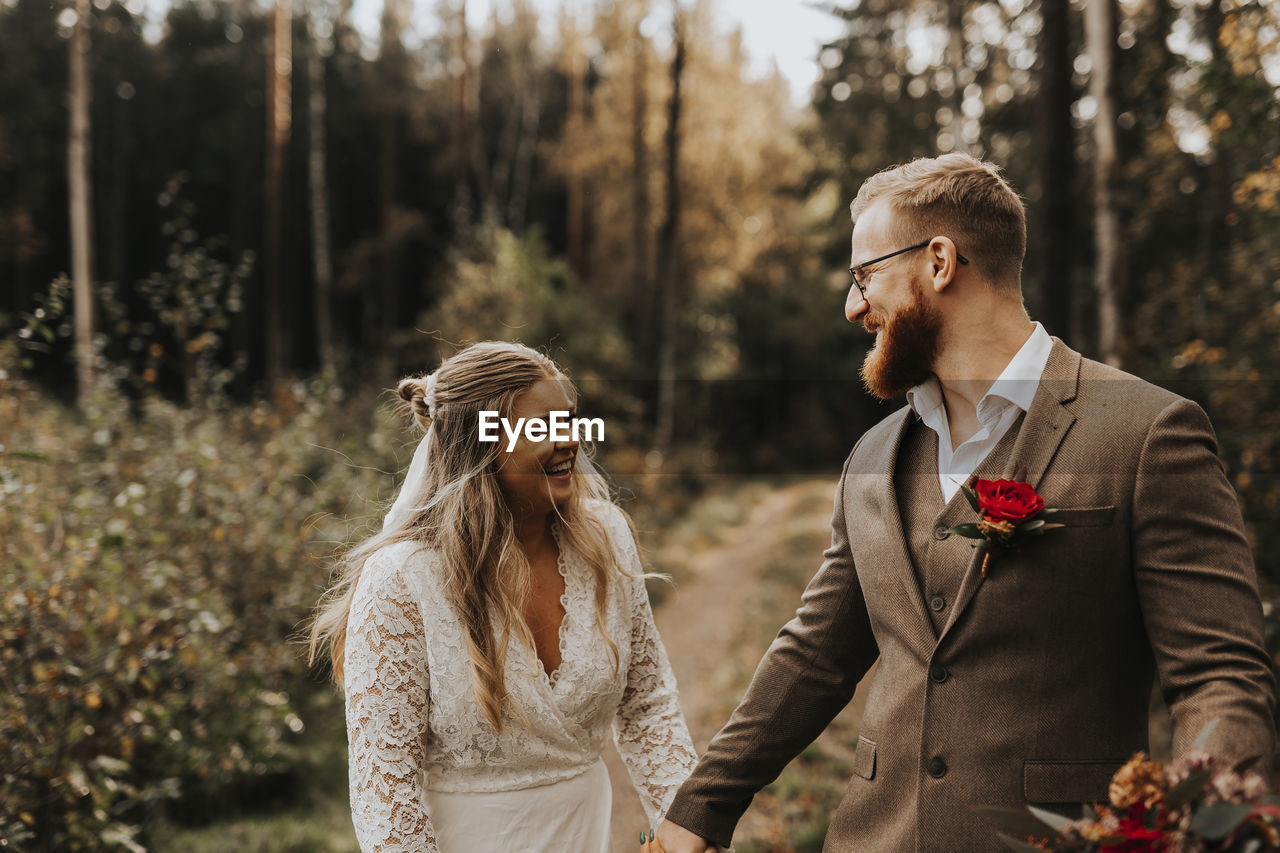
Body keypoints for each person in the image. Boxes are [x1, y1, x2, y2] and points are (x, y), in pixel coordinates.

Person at [652, 153, 1277, 852]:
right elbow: (814, 656)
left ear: (940, 262)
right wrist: (700, 807)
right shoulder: (872, 458)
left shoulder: (1148, 434)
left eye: (865, 276)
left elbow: (1218, 676)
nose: (853, 306)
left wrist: (1208, 828)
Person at [309, 341, 697, 852]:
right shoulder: (402, 580)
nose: (570, 441)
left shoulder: (605, 540)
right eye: (543, 427)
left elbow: (647, 704)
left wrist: (687, 826)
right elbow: (386, 792)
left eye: (571, 420)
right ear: (480, 444)